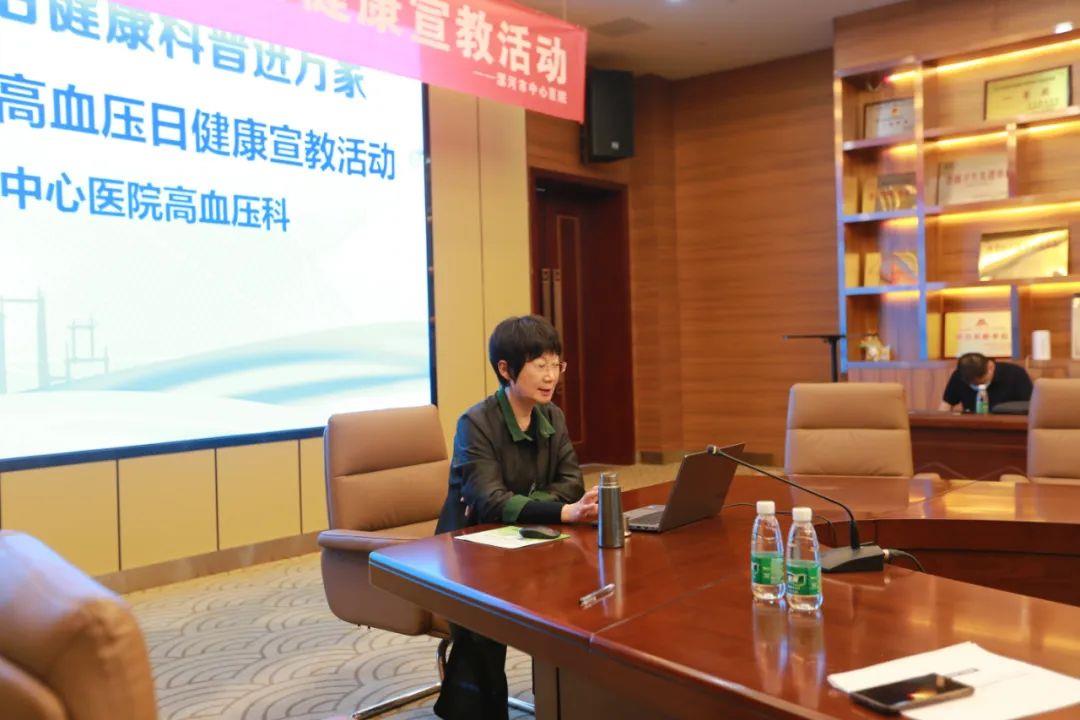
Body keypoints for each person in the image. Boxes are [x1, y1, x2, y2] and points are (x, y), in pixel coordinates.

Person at [433, 314, 599, 720]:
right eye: (539, 365)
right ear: (506, 369)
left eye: (556, 364)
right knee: (485, 614)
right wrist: (558, 509)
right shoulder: (475, 423)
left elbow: (572, 484)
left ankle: (570, 703)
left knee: (586, 593)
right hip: (470, 551)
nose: (551, 376)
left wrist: (525, 503)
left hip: (530, 540)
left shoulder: (552, 416)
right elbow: (489, 502)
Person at [938, 352, 1033, 413]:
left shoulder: (1015, 374)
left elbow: (1030, 407)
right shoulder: (959, 375)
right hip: (972, 428)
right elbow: (946, 404)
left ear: (990, 367)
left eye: (982, 382)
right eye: (973, 384)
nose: (978, 386)